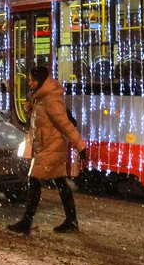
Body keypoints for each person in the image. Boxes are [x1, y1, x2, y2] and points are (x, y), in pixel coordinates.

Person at [7, 65, 86, 235]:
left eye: (32, 80)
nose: (30, 83)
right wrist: (32, 110)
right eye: (29, 80)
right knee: (60, 182)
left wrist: (80, 146)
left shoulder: (50, 99)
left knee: (35, 180)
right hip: (47, 146)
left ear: (40, 81)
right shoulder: (41, 97)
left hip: (52, 147)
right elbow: (44, 121)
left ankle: (27, 222)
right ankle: (71, 220)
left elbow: (65, 124)